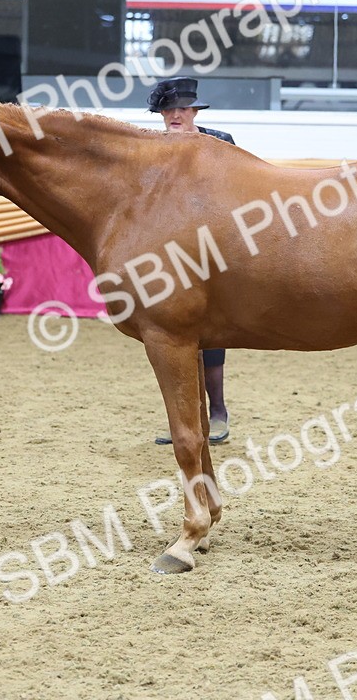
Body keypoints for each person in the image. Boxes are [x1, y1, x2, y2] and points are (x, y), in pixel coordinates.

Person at [146, 76, 234, 446]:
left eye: (182, 108)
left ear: (195, 111)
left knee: (210, 337)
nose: (175, 115)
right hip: (169, 252)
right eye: (168, 109)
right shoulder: (149, 149)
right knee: (171, 339)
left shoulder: (221, 144)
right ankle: (185, 418)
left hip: (212, 247)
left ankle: (217, 411)